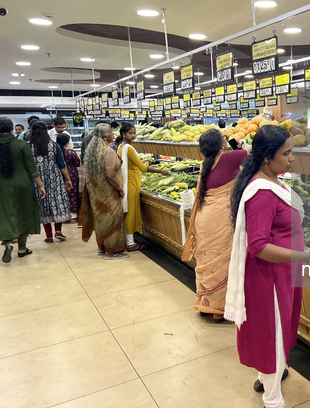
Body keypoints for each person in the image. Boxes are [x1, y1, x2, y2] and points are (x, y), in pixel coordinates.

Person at [225, 125, 310, 408]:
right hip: (268, 279)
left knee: (274, 330)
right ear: (266, 158)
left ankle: (267, 375)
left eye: (291, 152)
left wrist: (301, 219)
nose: (291, 159)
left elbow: (277, 218)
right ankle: (273, 399)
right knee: (271, 335)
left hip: (281, 274)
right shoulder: (261, 192)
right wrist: (308, 256)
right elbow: (258, 247)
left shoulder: (271, 180)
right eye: (286, 153)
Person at [182, 129, 249, 322]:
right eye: (224, 140)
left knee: (207, 260)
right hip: (222, 219)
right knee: (224, 262)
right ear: (221, 144)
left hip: (205, 218)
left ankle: (206, 304)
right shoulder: (231, 158)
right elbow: (254, 151)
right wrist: (240, 144)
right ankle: (219, 310)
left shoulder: (205, 163)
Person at [117, 122, 171, 251]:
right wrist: (161, 171)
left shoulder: (121, 146)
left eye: (134, 133)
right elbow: (141, 168)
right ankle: (130, 244)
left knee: (127, 211)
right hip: (131, 183)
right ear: (123, 134)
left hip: (126, 181)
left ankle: (128, 239)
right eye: (130, 133)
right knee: (131, 212)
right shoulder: (128, 148)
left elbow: (132, 164)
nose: (133, 135)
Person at [79, 124, 128, 259]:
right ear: (105, 136)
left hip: (96, 192)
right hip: (109, 192)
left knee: (100, 219)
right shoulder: (108, 151)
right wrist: (119, 188)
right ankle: (112, 251)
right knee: (112, 218)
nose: (113, 134)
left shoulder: (92, 150)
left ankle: (102, 247)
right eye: (111, 132)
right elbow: (110, 174)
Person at [0, 117, 45, 263]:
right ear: (12, 129)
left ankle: (7, 244)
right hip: (23, 185)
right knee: (24, 214)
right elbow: (32, 169)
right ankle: (22, 248)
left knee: (5, 215)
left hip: (2, 187)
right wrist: (41, 185)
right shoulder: (21, 144)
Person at [28, 121, 72, 243]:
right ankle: (58, 230)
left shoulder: (28, 147)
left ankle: (48, 236)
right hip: (55, 178)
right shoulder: (53, 145)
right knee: (57, 202)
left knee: (43, 205)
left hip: (37, 180)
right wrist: (68, 179)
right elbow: (62, 165)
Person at [57, 134, 81, 220]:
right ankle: (73, 215)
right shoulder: (70, 152)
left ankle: (62, 215)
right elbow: (78, 163)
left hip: (59, 174)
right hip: (72, 174)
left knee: (61, 194)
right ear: (67, 142)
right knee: (73, 193)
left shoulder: (55, 152)